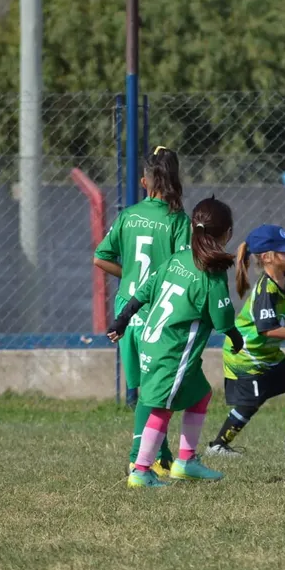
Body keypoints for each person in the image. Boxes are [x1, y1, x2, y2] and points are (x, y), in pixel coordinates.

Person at [107, 196, 243, 488]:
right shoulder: (211, 274)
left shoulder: (178, 258)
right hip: (173, 352)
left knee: (200, 394)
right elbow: (222, 319)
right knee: (162, 409)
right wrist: (235, 336)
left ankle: (185, 461)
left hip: (153, 342)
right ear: (227, 234)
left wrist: (122, 319)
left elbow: (144, 291)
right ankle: (141, 471)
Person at [93, 146, 191, 476]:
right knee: (156, 392)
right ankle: (139, 460)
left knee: (143, 392)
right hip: (155, 313)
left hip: (126, 311)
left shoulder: (128, 215)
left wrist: (131, 276)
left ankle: (160, 457)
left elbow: (100, 257)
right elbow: (182, 266)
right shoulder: (178, 220)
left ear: (143, 182)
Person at [205, 224, 285, 456]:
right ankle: (218, 446)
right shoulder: (266, 289)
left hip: (266, 352)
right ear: (266, 257)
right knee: (250, 403)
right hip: (246, 354)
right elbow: (267, 329)